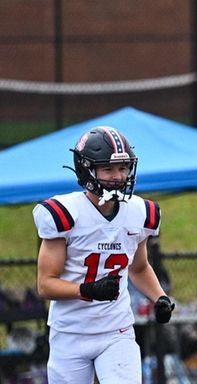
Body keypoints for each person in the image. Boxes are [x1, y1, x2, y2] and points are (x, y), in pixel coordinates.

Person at [33, 126, 175, 384]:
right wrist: (88, 290)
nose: (118, 177)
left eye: (123, 168)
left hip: (115, 330)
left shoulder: (139, 212)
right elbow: (45, 284)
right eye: (108, 169)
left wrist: (160, 297)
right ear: (87, 170)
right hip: (70, 332)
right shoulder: (66, 213)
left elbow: (139, 268)